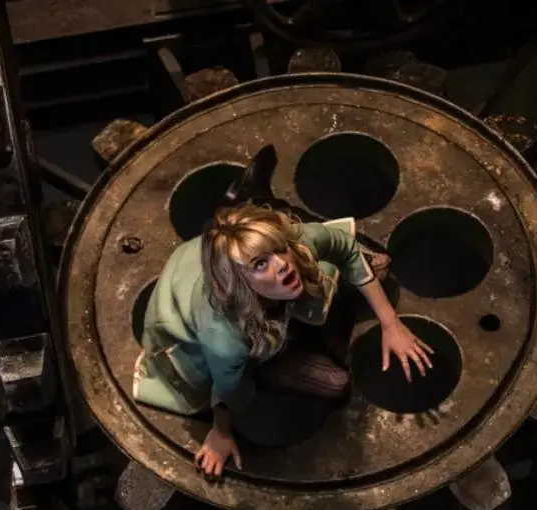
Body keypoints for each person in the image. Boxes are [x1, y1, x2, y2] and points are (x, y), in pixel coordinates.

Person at [133, 203, 434, 478]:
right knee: (335, 383)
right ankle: (288, 345)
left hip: (215, 270)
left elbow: (345, 247)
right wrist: (221, 434)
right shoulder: (225, 336)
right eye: (260, 264)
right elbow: (228, 390)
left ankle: (300, 316)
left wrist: (390, 323)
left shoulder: (297, 246)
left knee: (378, 267)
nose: (281, 264)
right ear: (240, 283)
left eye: (278, 249)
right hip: (206, 323)